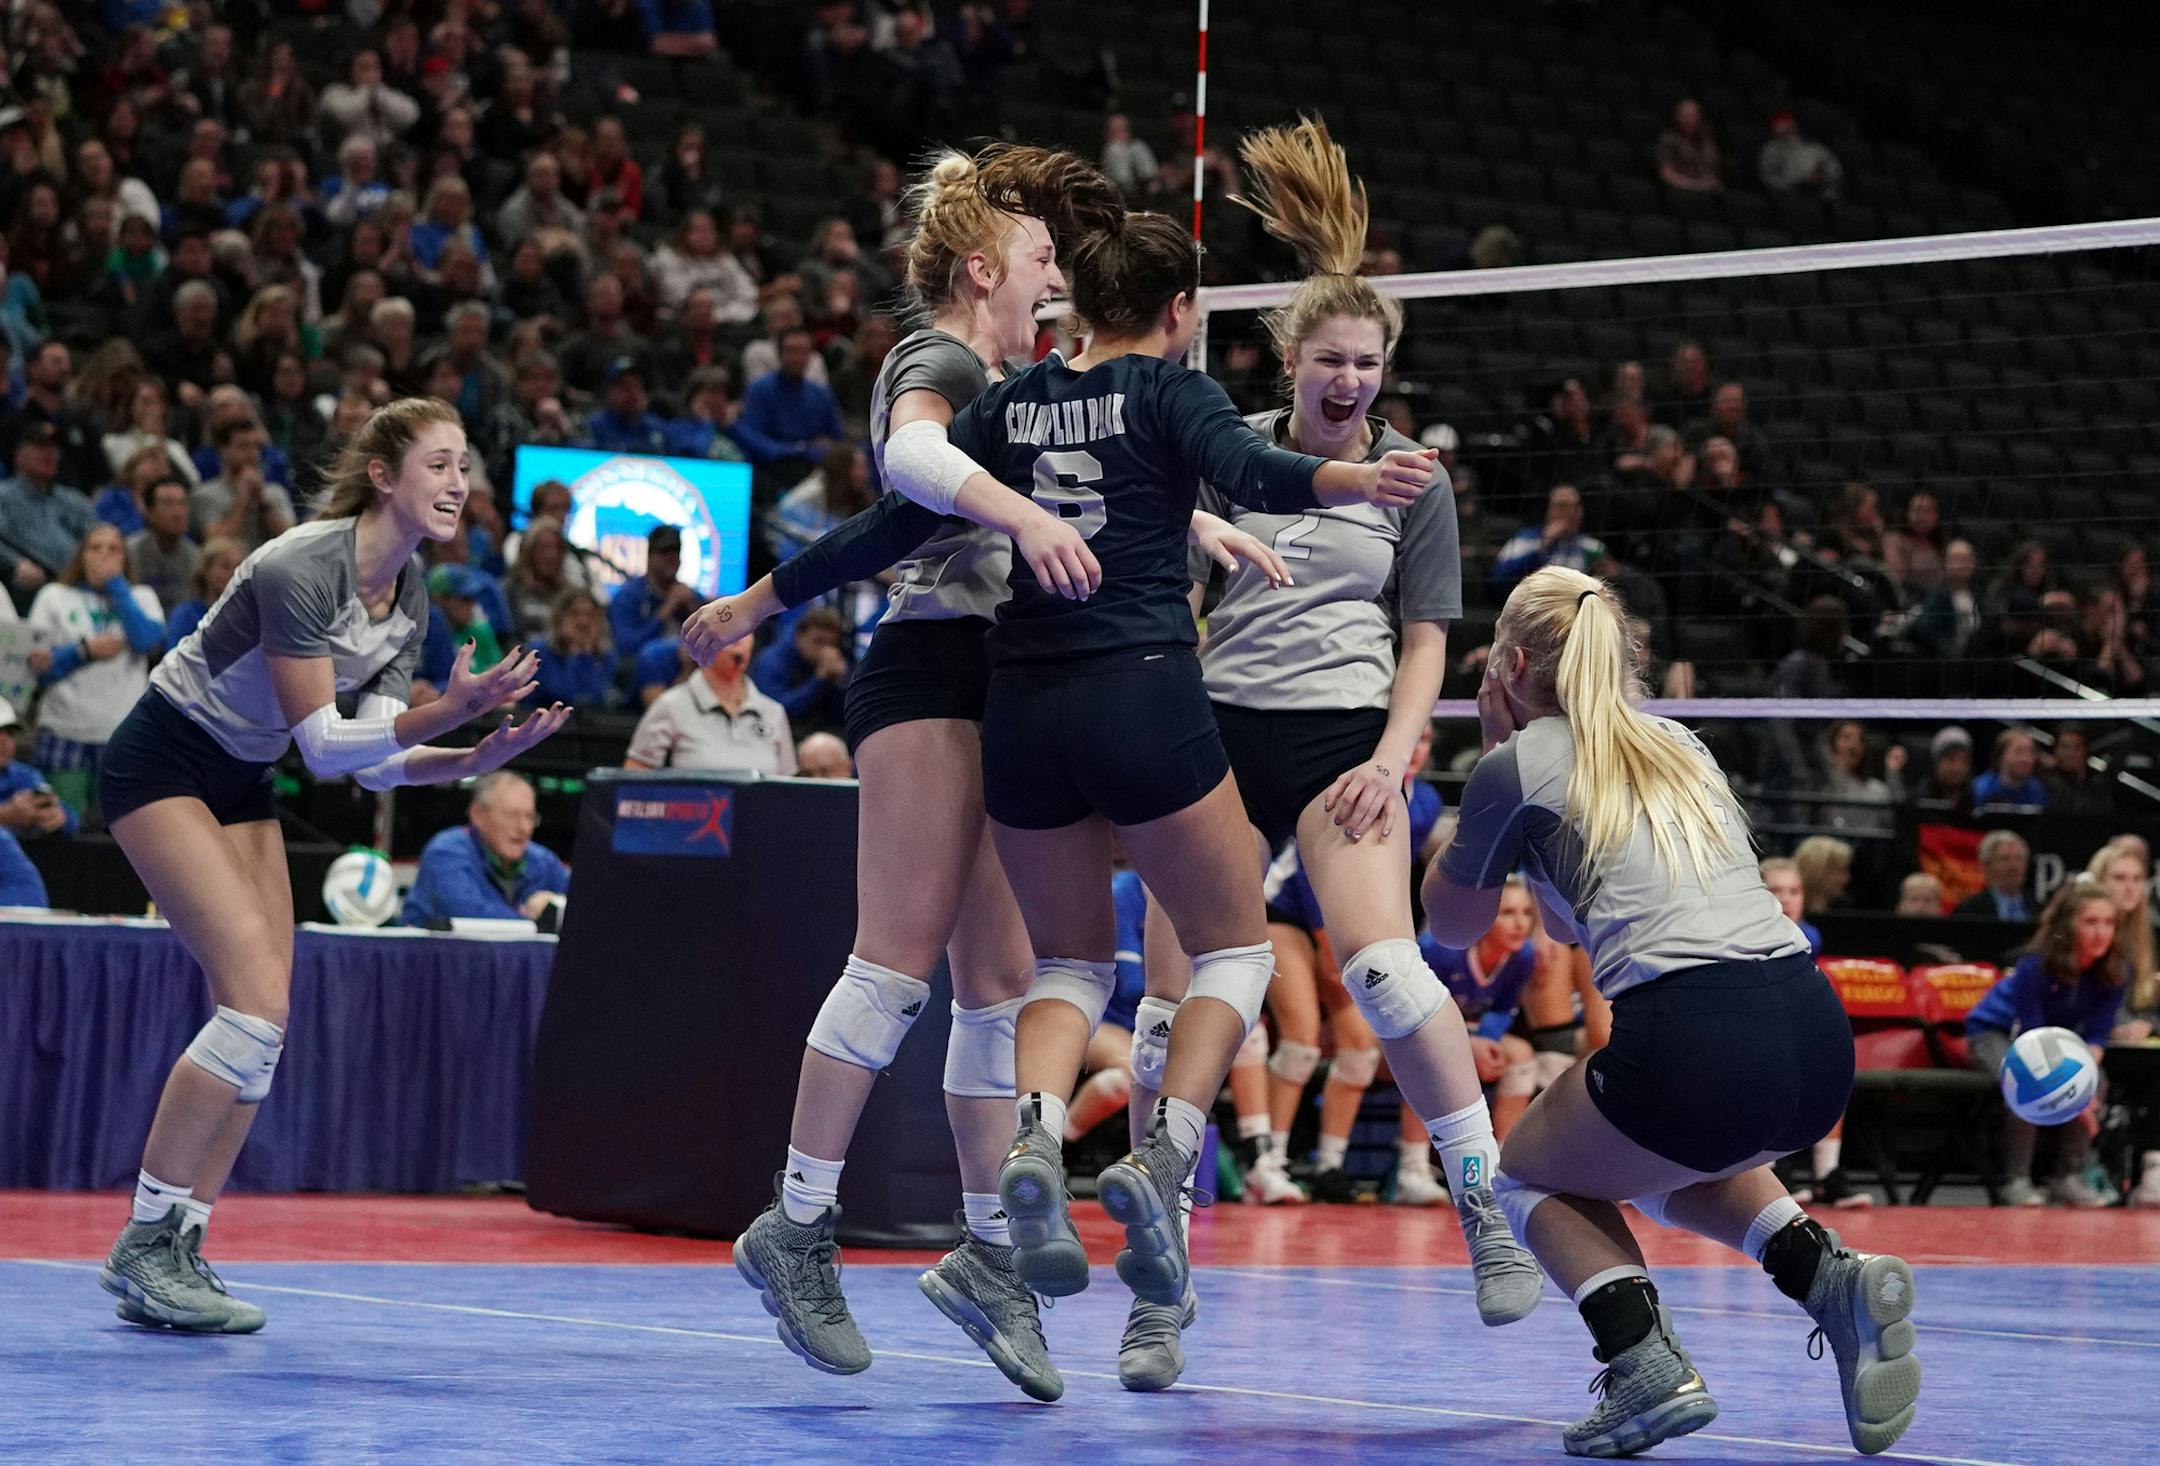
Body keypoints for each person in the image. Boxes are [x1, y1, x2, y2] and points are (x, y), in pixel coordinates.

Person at [923, 193, 1437, 1385]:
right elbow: (1258, 463)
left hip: (1023, 709)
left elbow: (919, 486)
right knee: (1232, 954)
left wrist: (771, 592)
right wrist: (1357, 486)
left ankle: (1040, 1139)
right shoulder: (1177, 390)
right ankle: (1161, 1165)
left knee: (1062, 967)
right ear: (1180, 312)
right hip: (1152, 703)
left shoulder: (1008, 402)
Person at [682, 146, 1126, 1402]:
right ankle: (798, 1220)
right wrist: (1029, 517)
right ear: (984, 266)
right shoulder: (933, 363)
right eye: (1040, 256)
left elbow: (885, 530)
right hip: (931, 671)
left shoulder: (1014, 381)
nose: (1057, 274)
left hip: (1006, 679)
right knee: (894, 962)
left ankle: (989, 1255)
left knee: (997, 985)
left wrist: (762, 594)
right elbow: (912, 474)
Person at [1125, 120, 1537, 1355]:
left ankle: (1482, 1196)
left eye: (1368, 362)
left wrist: (1396, 752)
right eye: (1331, 360)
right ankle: (1161, 1283)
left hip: (1343, 748)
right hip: (1211, 747)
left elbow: (1427, 638)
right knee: (1168, 1013)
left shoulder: (1415, 478)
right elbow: (1158, 578)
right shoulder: (1226, 450)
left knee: (1390, 970)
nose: (1351, 380)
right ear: (1289, 358)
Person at [95, 398, 569, 1334]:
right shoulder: (299, 565)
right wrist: (450, 711)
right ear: (383, 477)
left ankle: (183, 1240)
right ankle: (141, 1243)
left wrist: (469, 759)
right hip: (160, 760)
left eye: (465, 466)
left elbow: (371, 755)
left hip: (239, 779)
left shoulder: (412, 597)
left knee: (270, 1022)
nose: (458, 483)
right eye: (437, 465)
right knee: (250, 1003)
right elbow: (320, 743)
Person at [1423, 565, 1919, 1459]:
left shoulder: (1514, 765)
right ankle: (1827, 1275)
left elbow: (1453, 927)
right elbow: (1582, 916)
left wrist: (1473, 797)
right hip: (1813, 1034)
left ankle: (1643, 1360)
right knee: (1653, 1161)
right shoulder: (1679, 744)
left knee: (1527, 1175)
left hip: (1698, 1038)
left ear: (1510, 665)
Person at [1965, 877, 2126, 1207]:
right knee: (2029, 1080)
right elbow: (2031, 1035)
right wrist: (2074, 1098)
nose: (2101, 932)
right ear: (2069, 925)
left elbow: (2096, 1036)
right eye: (2090, 922)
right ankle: (2016, 1180)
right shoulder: (2035, 964)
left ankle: (2068, 1176)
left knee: (2097, 1083)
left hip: (2059, 1042)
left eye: (2108, 923)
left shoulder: (2116, 973)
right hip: (1994, 1033)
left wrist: (2084, 1088)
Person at [25, 524, 167, 819]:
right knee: (62, 828)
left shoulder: (141, 597)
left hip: (122, 732)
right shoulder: (54, 596)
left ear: (125, 558)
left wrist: (116, 586)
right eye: (95, 548)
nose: (104, 555)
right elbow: (38, 669)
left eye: (113, 549)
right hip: (65, 728)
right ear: (81, 555)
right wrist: (83, 651)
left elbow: (147, 640)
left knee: (119, 832)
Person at [399, 771, 570, 926]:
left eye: (530, 817)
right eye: (512, 815)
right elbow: (469, 915)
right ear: (477, 814)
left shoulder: (543, 861)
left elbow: (584, 907)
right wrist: (540, 920)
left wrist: (558, 904)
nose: (523, 828)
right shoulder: (446, 852)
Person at [624, 639, 796, 775]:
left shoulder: (773, 711)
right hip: (692, 816)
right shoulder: (671, 704)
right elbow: (634, 779)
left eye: (745, 631)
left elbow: (788, 788)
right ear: (703, 641)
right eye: (728, 630)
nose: (738, 639)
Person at [608, 524, 700, 663]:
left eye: (675, 552)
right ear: (650, 556)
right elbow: (626, 646)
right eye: (664, 552)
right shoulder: (628, 596)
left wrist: (691, 609)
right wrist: (667, 609)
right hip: (642, 673)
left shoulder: (688, 595)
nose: (671, 558)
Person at [0, 695, 77, 838]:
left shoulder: (23, 774)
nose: (4, 741)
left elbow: (70, 820)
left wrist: (57, 816)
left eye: (9, 733)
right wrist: (6, 815)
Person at [126, 479, 202, 619]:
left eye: (182, 503)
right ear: (149, 512)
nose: (178, 512)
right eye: (168, 504)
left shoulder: (195, 556)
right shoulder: (130, 552)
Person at [166, 538, 243, 648]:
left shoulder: (249, 614)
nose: (234, 574)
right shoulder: (185, 615)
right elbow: (174, 659)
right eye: (225, 567)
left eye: (239, 567)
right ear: (205, 571)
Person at [1953, 830, 2033, 921]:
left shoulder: (2039, 909)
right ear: (1986, 866)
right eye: (2005, 859)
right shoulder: (1969, 911)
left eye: (2019, 858)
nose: (2014, 866)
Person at [1972, 727, 2049, 808]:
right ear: (2000, 756)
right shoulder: (1980, 789)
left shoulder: (2037, 790)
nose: (2026, 758)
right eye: (2018, 752)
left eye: (2031, 752)